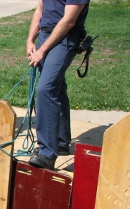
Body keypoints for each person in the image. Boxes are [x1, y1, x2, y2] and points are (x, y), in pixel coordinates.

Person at [27, 0, 90, 170]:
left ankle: (47, 153)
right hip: (45, 35)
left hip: (65, 37)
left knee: (46, 90)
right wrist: (31, 40)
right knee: (57, 87)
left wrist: (42, 50)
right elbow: (41, 8)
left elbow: (69, 20)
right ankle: (61, 142)